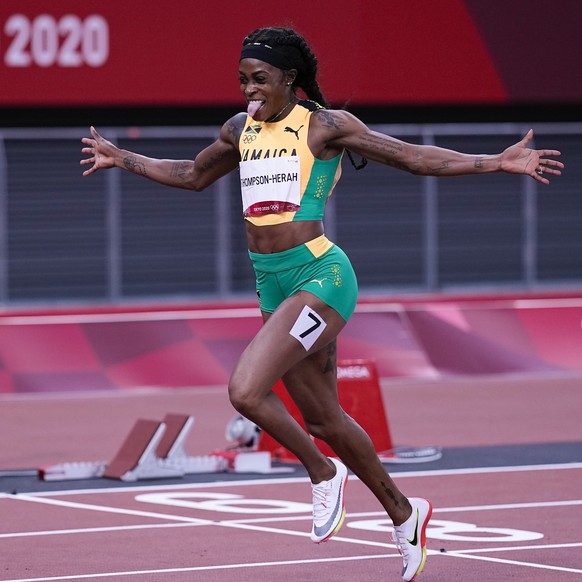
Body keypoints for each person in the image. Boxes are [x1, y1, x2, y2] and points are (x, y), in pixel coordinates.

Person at [81, 26, 563, 581]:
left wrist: (494, 162)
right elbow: (191, 175)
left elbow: (411, 157)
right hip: (271, 282)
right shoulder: (240, 130)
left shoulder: (323, 126)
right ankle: (406, 515)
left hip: (322, 275)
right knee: (324, 417)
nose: (249, 91)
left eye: (259, 79)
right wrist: (122, 158)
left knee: (244, 390)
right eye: (242, 81)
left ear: (290, 78)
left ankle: (320, 473)